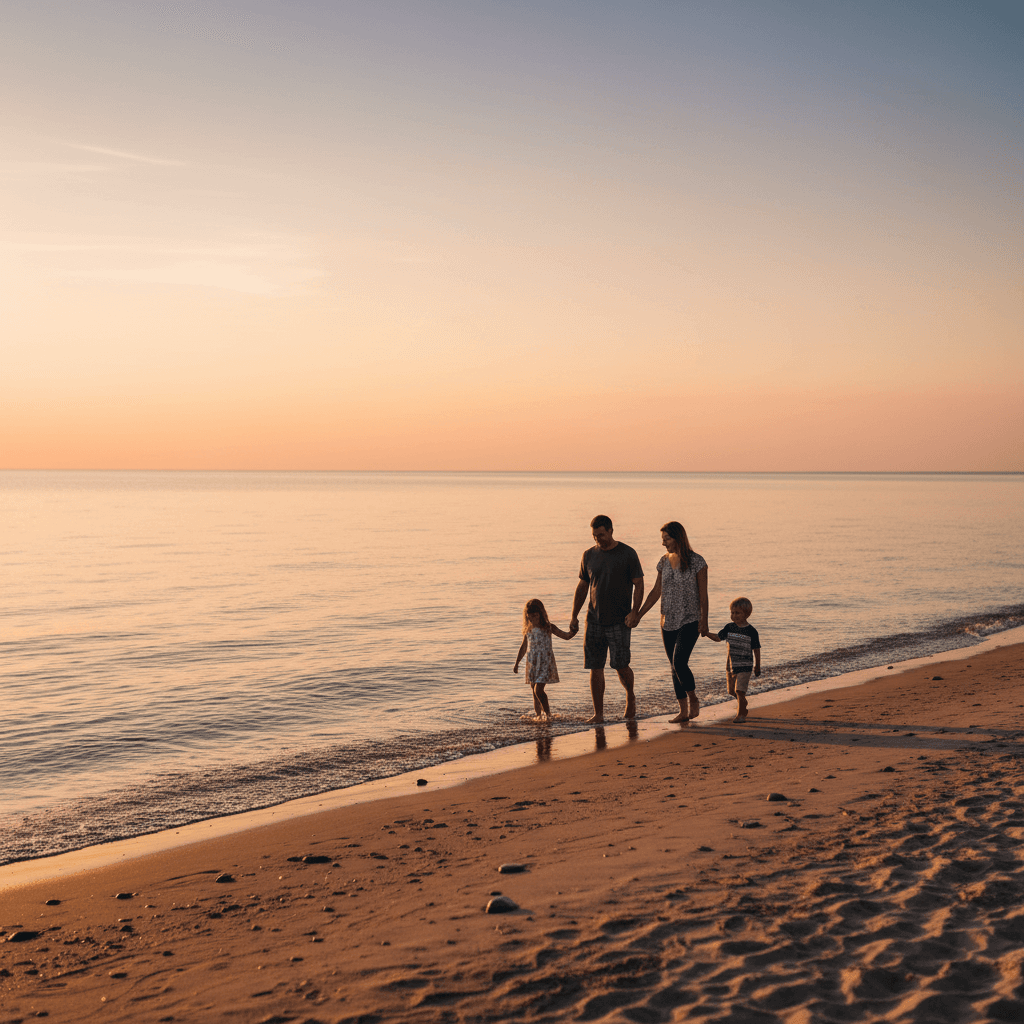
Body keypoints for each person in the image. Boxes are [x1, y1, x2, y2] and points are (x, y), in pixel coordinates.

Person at [570, 515, 644, 723]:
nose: (598, 540)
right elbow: (583, 586)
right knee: (595, 667)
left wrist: (635, 611)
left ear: (611, 531)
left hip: (620, 619)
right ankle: (598, 714)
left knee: (621, 665)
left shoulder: (627, 554)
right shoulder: (588, 555)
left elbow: (639, 584)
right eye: (594, 536)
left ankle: (630, 696)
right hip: (593, 619)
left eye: (601, 535)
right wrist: (574, 615)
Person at [634, 521, 709, 723]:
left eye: (666, 539)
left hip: (690, 619)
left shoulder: (697, 562)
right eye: (663, 539)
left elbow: (703, 595)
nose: (663, 543)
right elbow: (656, 591)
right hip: (667, 621)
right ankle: (683, 711)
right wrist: (639, 615)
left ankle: (693, 699)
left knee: (679, 662)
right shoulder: (663, 562)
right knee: (673, 666)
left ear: (678, 537)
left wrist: (705, 620)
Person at [513, 598, 576, 721]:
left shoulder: (549, 627)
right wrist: (517, 663)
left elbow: (566, 636)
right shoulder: (528, 630)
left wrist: (573, 631)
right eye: (530, 617)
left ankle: (548, 715)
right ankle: (538, 716)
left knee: (539, 690)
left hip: (545, 663)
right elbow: (523, 647)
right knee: (534, 690)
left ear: (541, 614)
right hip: (532, 663)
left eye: (535, 616)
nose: (532, 619)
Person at [707, 597, 761, 723]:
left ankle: (741, 714)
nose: (734, 615)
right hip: (731, 666)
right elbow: (717, 638)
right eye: (732, 612)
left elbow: (756, 649)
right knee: (731, 691)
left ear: (747, 614)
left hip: (746, 666)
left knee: (739, 690)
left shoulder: (751, 631)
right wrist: (706, 633)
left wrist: (757, 666)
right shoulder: (729, 628)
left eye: (737, 613)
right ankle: (743, 703)